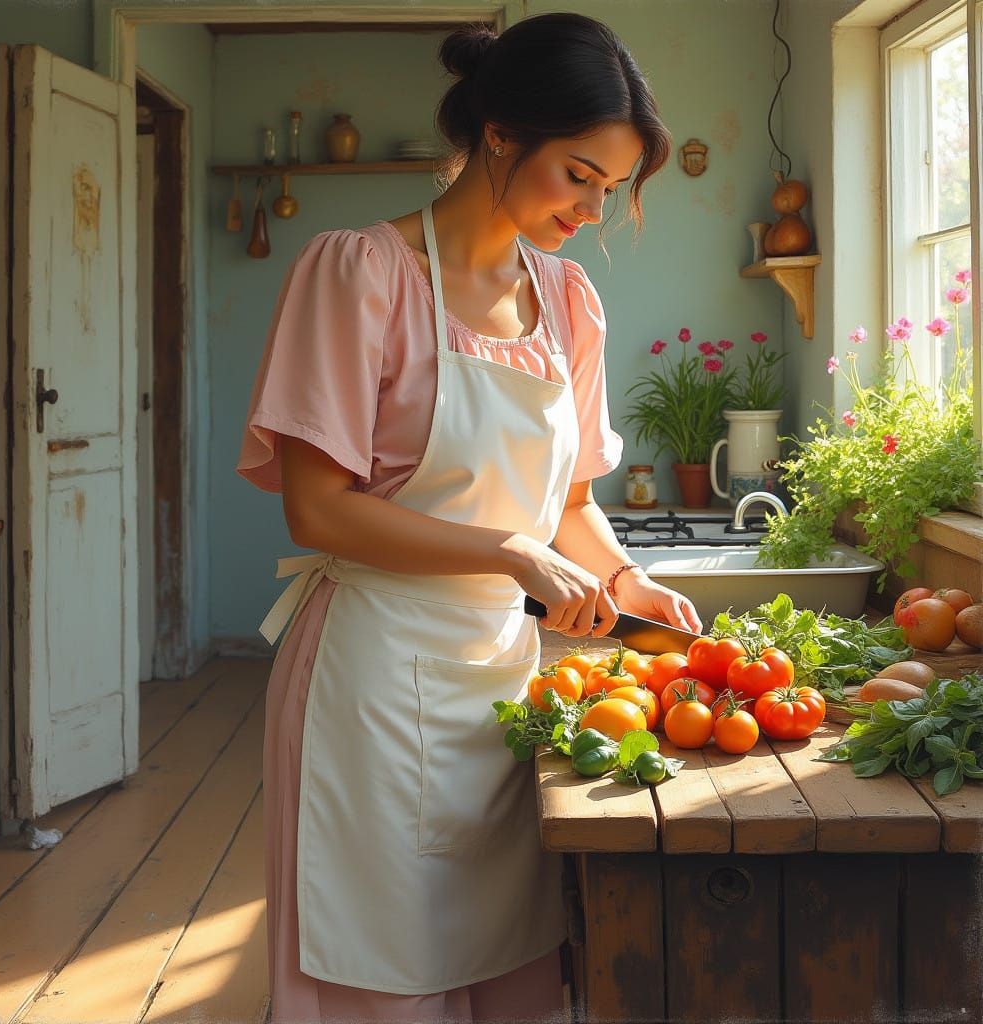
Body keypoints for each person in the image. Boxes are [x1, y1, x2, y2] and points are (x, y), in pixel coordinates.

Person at [236, 12, 702, 1022]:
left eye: (608, 188)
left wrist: (625, 583)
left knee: (505, 959)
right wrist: (510, 553)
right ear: (499, 132)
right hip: (371, 683)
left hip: (498, 688)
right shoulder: (360, 274)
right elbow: (318, 510)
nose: (589, 208)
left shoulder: (569, 303)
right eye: (576, 173)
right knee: (383, 975)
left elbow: (570, 500)